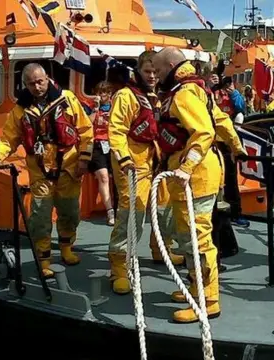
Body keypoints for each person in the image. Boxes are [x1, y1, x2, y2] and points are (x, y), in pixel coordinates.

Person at [0, 63, 93, 278]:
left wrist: (84, 159)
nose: (37, 86)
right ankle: (44, 259)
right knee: (40, 215)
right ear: (25, 85)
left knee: (70, 212)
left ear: (47, 78)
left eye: (40, 81)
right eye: (31, 83)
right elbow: (8, 139)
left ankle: (67, 248)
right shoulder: (20, 110)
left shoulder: (67, 99)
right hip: (40, 170)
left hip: (68, 167)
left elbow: (86, 130)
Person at [152, 46, 223, 323]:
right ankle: (196, 288)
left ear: (171, 65)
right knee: (188, 237)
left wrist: (185, 167)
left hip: (195, 178)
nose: (156, 77)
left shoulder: (183, 94)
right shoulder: (198, 89)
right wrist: (236, 147)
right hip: (194, 177)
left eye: (158, 70)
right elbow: (220, 121)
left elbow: (204, 131)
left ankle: (208, 300)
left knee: (197, 239)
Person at [107, 51, 184, 295]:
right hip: (133, 162)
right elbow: (116, 130)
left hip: (158, 160)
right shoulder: (126, 96)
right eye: (147, 72)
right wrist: (124, 157)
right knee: (133, 212)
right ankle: (119, 266)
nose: (152, 76)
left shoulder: (163, 97)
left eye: (155, 72)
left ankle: (161, 248)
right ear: (138, 72)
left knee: (165, 208)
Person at [207, 74, 250, 227]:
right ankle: (211, 215)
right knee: (212, 181)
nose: (222, 83)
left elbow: (241, 109)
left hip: (227, 142)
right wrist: (209, 86)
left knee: (231, 179)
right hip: (210, 142)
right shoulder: (206, 91)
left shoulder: (232, 95)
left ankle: (235, 213)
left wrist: (234, 92)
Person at [87, 81, 115, 226]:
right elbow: (87, 124)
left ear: (109, 94)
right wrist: (96, 109)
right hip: (97, 145)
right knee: (103, 177)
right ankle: (110, 212)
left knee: (117, 179)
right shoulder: (90, 107)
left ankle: (121, 210)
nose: (99, 95)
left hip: (114, 145)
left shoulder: (116, 107)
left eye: (103, 92)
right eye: (97, 92)